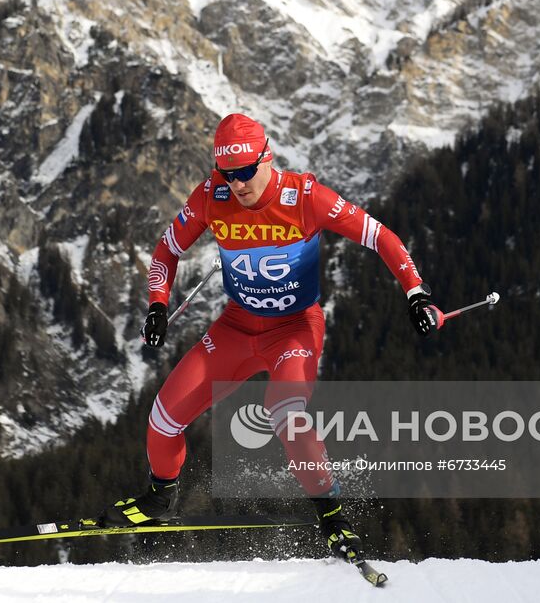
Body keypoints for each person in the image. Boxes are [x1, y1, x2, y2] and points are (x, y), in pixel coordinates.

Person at [101, 113, 444, 563]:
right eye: (229, 173)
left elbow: (381, 237)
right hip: (238, 327)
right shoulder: (211, 196)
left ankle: (332, 516)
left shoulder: (305, 197)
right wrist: (158, 304)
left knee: (284, 414)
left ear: (267, 158)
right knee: (163, 418)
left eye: (246, 171)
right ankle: (160, 499)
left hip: (295, 330)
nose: (238, 183)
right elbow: (167, 251)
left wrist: (417, 295)